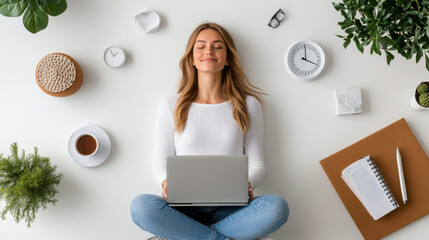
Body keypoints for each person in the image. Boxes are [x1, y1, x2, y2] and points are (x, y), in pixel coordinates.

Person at [130, 22, 289, 240]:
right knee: (141, 207)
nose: (209, 52)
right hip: (183, 209)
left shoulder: (248, 105)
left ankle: (192, 237)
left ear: (227, 58)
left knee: (277, 206)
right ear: (192, 58)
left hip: (232, 209)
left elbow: (258, 164)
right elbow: (159, 163)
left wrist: (247, 183)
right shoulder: (171, 105)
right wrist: (166, 182)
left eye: (217, 46)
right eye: (201, 46)